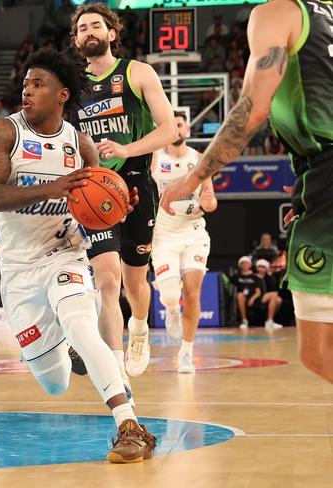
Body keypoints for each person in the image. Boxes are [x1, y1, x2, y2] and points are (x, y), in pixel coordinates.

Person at [0, 47, 155, 463]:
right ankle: (65, 347)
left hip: (65, 254)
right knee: (55, 383)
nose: (28, 91)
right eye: (25, 84)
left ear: (62, 95)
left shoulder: (80, 143)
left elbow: (96, 217)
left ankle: (129, 426)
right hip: (19, 267)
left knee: (81, 323)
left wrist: (116, 207)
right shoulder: (4, 131)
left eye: (38, 85)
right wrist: (51, 188)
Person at [161, 0, 333, 383]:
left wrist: (195, 176)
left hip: (325, 176)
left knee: (318, 349)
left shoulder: (279, 12)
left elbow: (252, 109)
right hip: (317, 174)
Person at [68, 4, 177, 400]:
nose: (89, 32)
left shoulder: (137, 72)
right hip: (94, 190)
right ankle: (116, 373)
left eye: (97, 25)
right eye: (82, 28)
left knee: (135, 280)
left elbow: (167, 129)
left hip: (135, 186)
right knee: (107, 280)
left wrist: (127, 146)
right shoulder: (70, 85)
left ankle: (141, 329)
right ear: (76, 40)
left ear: (112, 33)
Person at [150, 112, 217, 373]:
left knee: (193, 293)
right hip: (164, 235)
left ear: (187, 128)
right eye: (173, 126)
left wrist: (209, 201)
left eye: (180, 124)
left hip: (194, 232)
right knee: (170, 295)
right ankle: (171, 309)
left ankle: (186, 351)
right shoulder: (156, 158)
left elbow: (210, 197)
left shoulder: (199, 159)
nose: (177, 129)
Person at [231, 256, 262, 329]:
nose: (245, 265)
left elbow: (258, 292)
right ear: (240, 265)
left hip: (254, 297)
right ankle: (244, 320)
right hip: (242, 297)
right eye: (243, 263)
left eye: (247, 263)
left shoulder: (255, 277)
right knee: (240, 295)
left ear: (250, 265)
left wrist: (252, 299)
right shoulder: (236, 276)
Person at [252, 258, 284, 330]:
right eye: (260, 266)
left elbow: (274, 288)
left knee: (278, 300)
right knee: (274, 294)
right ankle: (269, 321)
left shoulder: (269, 278)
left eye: (263, 267)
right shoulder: (253, 277)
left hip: (264, 297)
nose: (261, 268)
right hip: (254, 297)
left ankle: (269, 320)